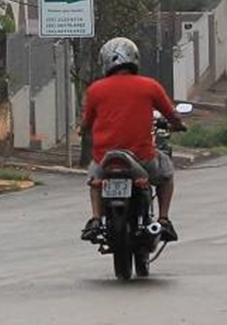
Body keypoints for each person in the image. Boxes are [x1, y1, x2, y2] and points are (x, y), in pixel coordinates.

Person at [80, 37, 187, 243]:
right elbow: (171, 114)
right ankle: (164, 220)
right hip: (142, 158)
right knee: (166, 173)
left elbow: (86, 122)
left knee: (95, 181)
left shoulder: (95, 89)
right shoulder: (150, 86)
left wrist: (81, 129)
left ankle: (95, 220)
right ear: (134, 59)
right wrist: (179, 125)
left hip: (106, 160)